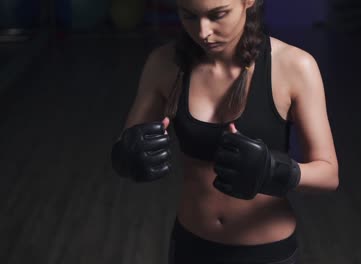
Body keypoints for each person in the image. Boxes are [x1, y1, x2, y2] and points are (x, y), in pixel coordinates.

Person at [111, 0, 339, 263]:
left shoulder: (295, 66)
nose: (203, 32)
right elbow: (124, 146)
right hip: (192, 245)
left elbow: (328, 175)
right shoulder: (164, 63)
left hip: (267, 252)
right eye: (189, 16)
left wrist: (274, 170)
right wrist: (125, 156)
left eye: (218, 15)